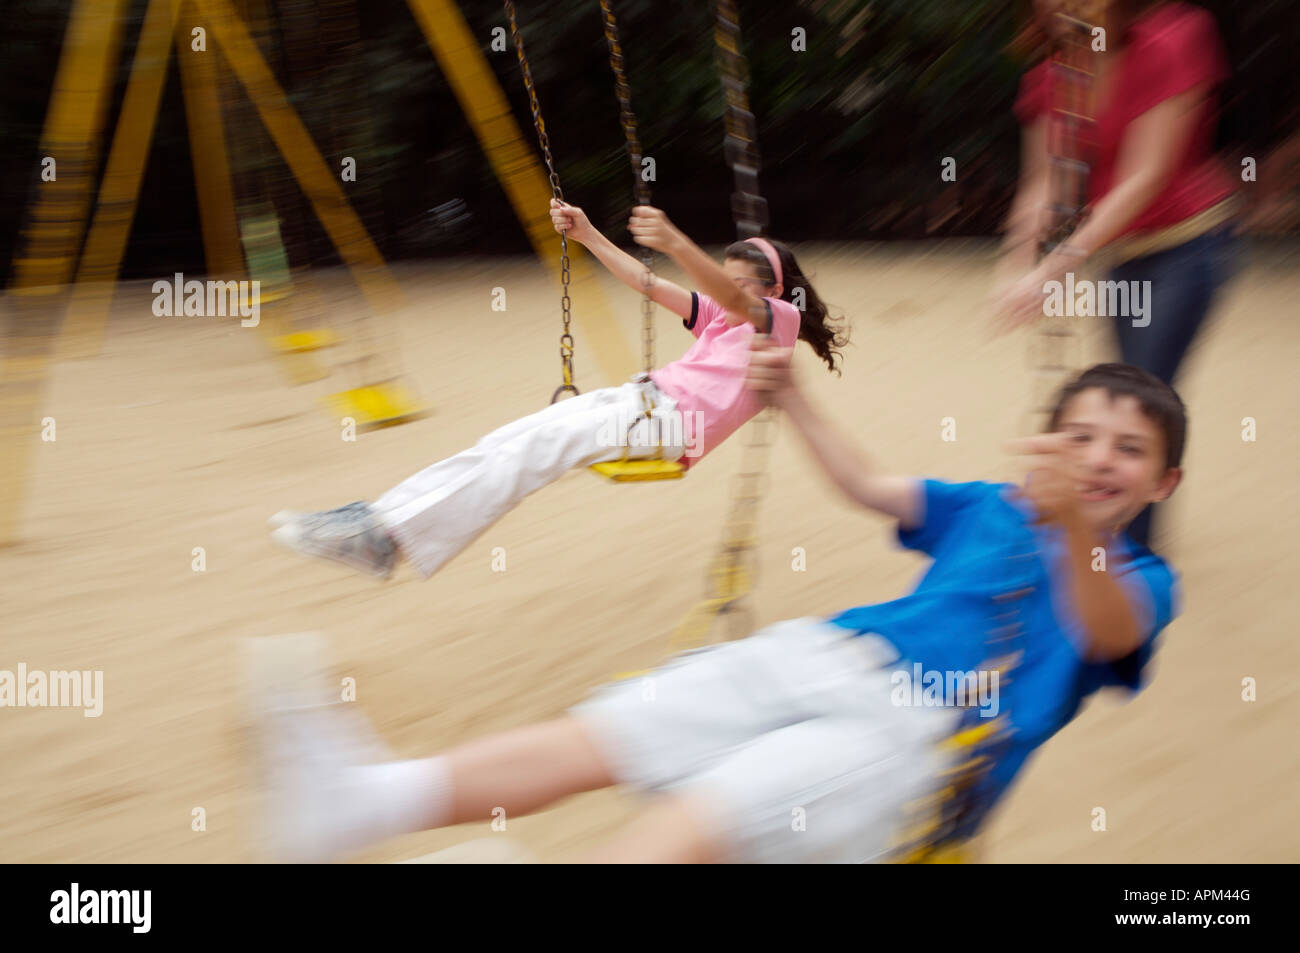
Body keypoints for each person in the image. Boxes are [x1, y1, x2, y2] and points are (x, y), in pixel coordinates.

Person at [247, 356, 1183, 863]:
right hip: (829, 652)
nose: (1101, 457)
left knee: (710, 814)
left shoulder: (1139, 574)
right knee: (614, 730)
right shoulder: (988, 504)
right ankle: (365, 799)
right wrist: (798, 402)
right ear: (1045, 443)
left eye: (1129, 449)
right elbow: (868, 486)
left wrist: (1073, 529)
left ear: (1163, 480)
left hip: (920, 739)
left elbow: (1108, 631)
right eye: (1081, 435)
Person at [269, 201, 847, 580]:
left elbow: (734, 297)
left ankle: (387, 536)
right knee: (505, 440)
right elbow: (647, 282)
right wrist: (589, 234)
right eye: (727, 275)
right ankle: (379, 517)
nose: (726, 287)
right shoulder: (720, 316)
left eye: (741, 279)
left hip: (671, 425)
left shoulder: (777, 320)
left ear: (774, 288)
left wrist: (675, 242)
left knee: (527, 453)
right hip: (642, 404)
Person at [994, 0, 1238, 546]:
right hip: (1123, 255)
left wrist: (1056, 266)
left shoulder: (1174, 37)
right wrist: (1015, 267)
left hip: (1189, 246)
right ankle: (1110, 531)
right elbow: (1044, 184)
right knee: (1121, 392)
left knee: (1141, 398)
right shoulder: (1051, 75)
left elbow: (1145, 176)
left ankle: (1127, 553)